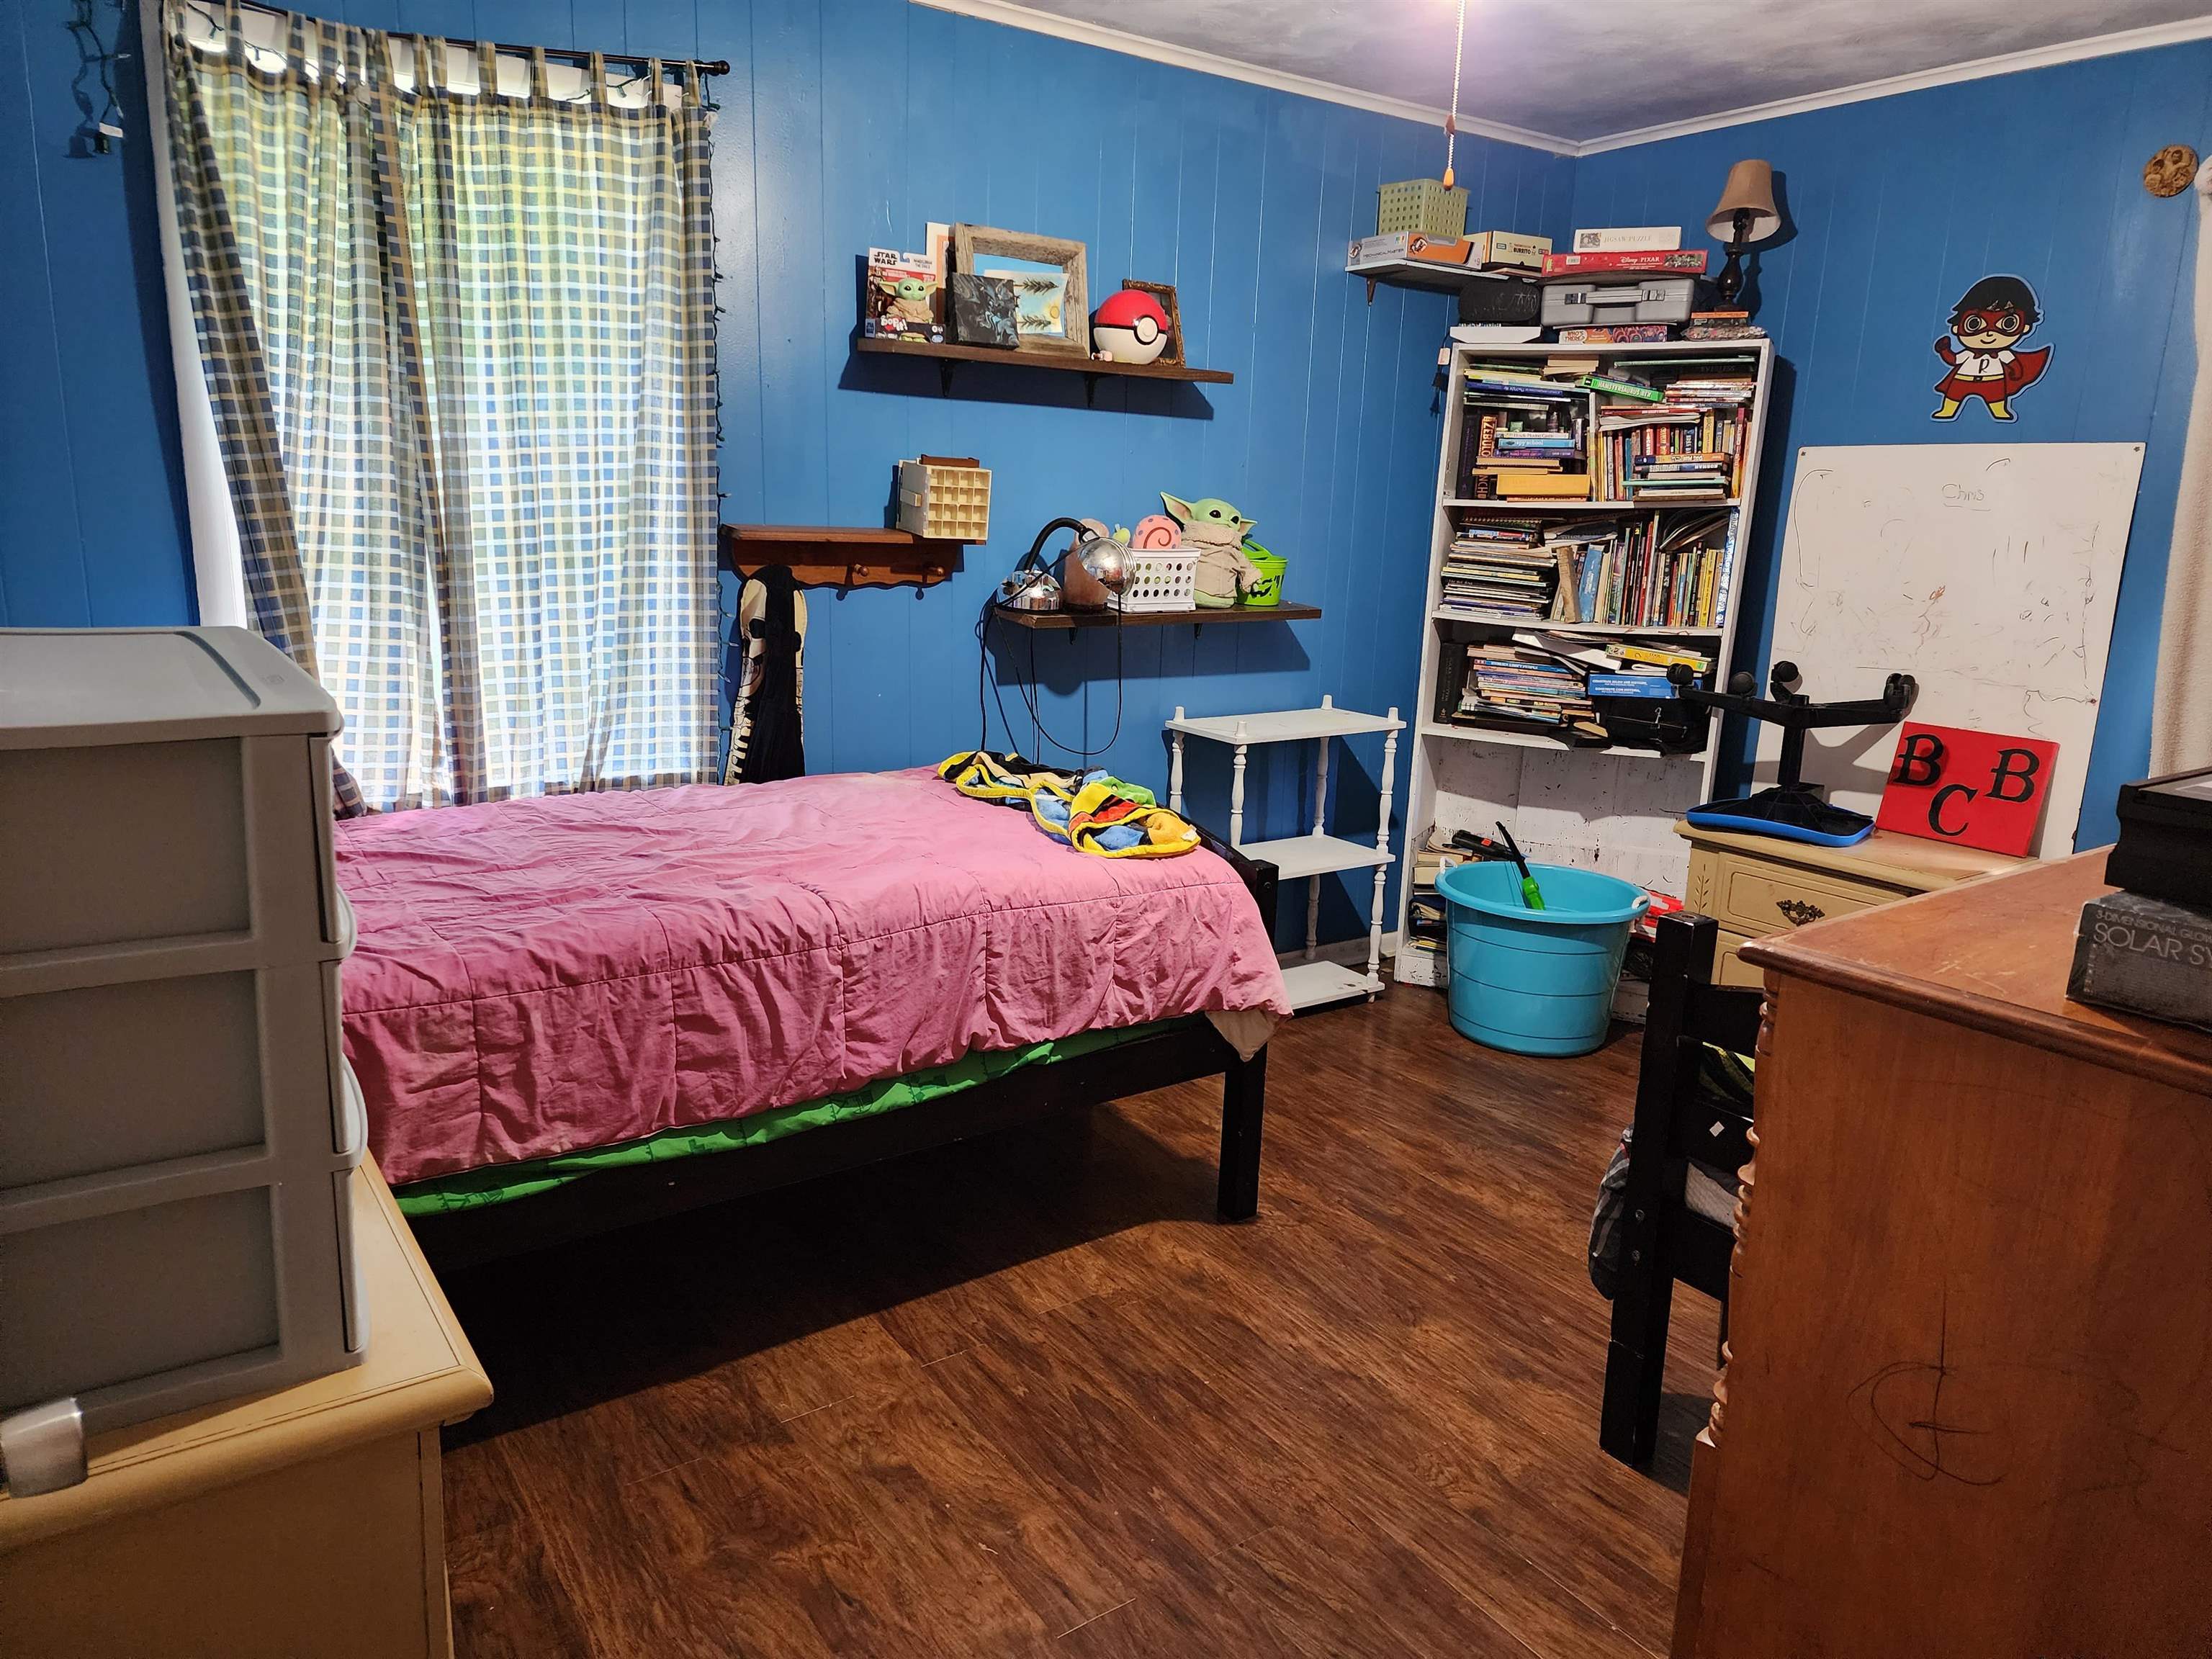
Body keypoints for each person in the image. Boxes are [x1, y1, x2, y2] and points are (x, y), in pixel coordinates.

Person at [1933, 274, 2051, 421]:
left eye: (2008, 324)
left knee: (1996, 398)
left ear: (2025, 327)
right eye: (1974, 324)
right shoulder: (1968, 354)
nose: (1989, 334)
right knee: (1954, 395)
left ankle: (2000, 411)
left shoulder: (2003, 354)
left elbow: (2013, 364)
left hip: (1994, 380)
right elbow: (1954, 360)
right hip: (1963, 378)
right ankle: (1947, 410)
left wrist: (2017, 371)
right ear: (1957, 327)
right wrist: (1944, 350)